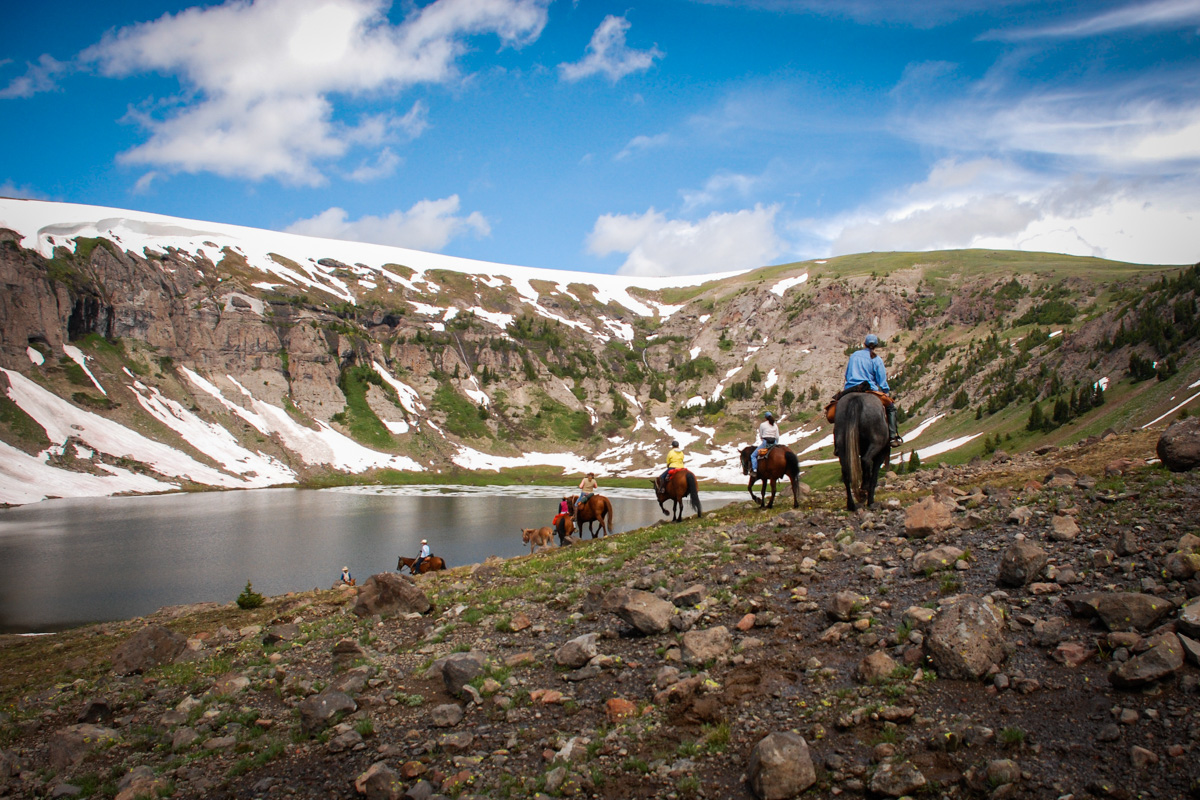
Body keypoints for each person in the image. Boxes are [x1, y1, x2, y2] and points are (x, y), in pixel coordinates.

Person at [843, 333, 902, 447]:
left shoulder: (854, 355)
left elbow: (847, 374)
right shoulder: (876, 359)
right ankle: (893, 436)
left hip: (850, 388)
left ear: (864, 344)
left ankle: (838, 445)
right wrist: (885, 391)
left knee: (837, 408)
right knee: (891, 408)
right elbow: (881, 379)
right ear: (875, 346)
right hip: (869, 389)